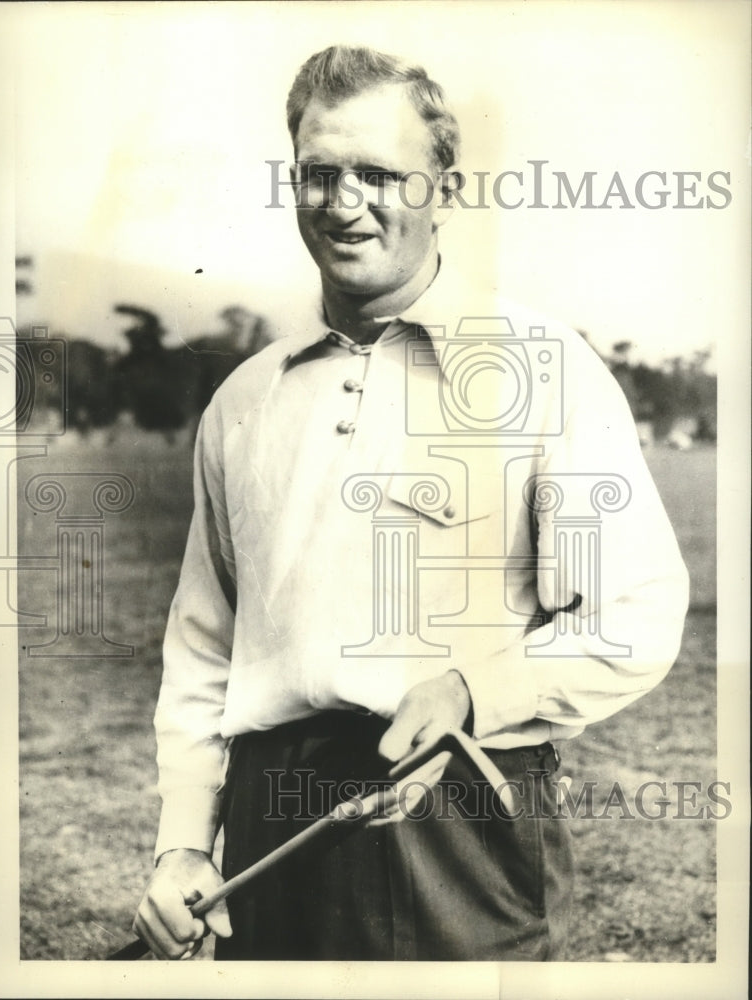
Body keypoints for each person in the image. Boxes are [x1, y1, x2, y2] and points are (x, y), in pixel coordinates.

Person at [133, 45, 688, 961]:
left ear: (444, 186)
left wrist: (474, 689)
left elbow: (633, 615)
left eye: (380, 173)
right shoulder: (245, 399)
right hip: (275, 841)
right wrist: (186, 838)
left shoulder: (541, 369)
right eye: (319, 174)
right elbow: (202, 646)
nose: (345, 202)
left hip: (463, 820)